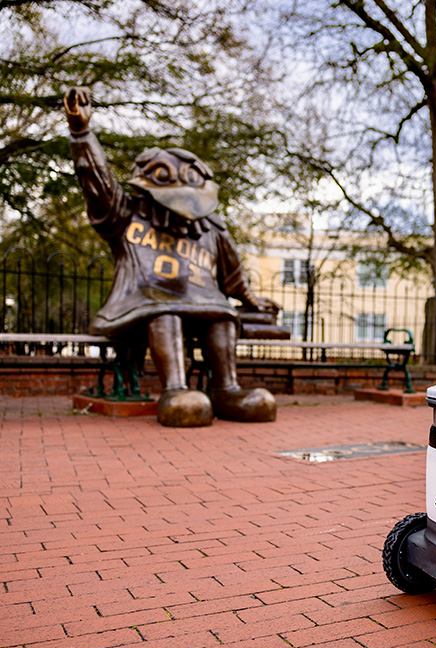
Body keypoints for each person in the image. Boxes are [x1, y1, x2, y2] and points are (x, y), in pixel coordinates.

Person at [64, 87, 277, 427]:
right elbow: (98, 184)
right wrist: (81, 133)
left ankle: (226, 389)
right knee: (165, 310)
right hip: (143, 305)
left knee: (222, 314)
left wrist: (250, 299)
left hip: (202, 302)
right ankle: (175, 391)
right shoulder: (127, 214)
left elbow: (232, 276)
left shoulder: (211, 228)